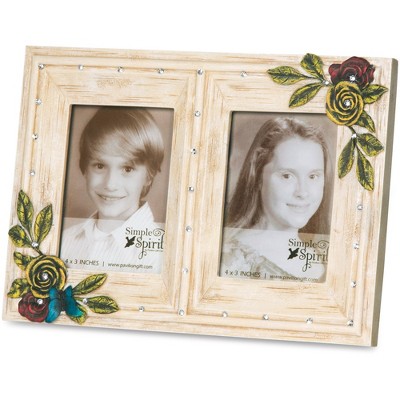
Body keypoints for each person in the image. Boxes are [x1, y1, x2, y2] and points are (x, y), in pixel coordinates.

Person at [220, 117, 332, 282]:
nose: (302, 192)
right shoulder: (229, 261)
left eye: (313, 176)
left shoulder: (326, 256)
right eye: (287, 176)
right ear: (257, 176)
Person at [60, 107, 165, 273]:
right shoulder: (64, 240)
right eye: (100, 166)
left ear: (149, 175)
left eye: (127, 169)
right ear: (85, 169)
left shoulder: (161, 255)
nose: (110, 184)